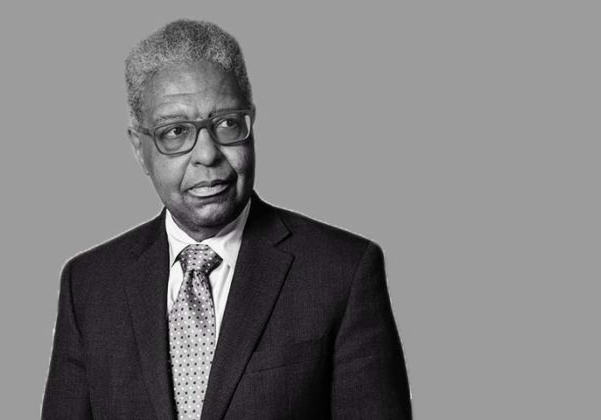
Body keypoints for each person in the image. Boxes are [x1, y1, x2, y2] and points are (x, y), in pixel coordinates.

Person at [42, 19, 411, 419]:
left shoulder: (342, 272)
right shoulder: (89, 285)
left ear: (251, 125)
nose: (207, 154)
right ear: (139, 149)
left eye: (227, 124)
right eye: (175, 132)